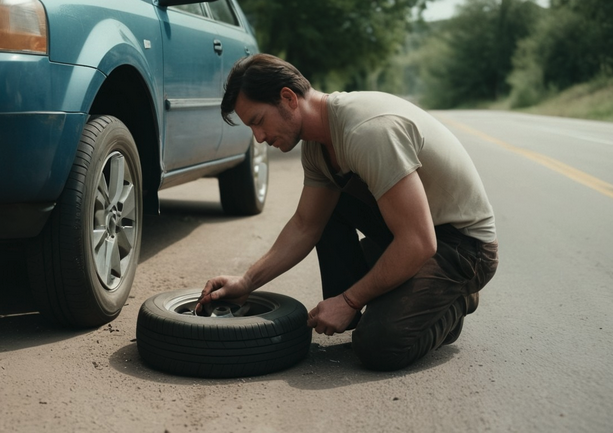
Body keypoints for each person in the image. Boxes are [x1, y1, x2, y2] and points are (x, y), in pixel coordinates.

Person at [197, 53, 499, 371]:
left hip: (464, 246)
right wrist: (247, 281)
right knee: (328, 207)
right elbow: (305, 225)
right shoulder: (317, 145)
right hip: (417, 230)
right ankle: (397, 290)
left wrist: (349, 300)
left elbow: (420, 242)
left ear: (288, 98)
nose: (258, 137)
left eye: (258, 121)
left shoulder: (367, 132)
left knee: (379, 346)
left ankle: (456, 298)